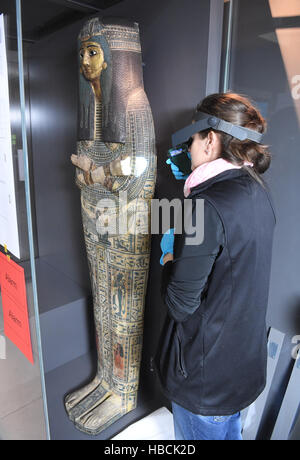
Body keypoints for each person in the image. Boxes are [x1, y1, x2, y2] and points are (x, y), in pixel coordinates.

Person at [155, 92, 277, 440]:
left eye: (192, 139)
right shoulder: (258, 189)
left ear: (210, 140)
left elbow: (180, 305)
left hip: (206, 386)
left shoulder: (204, 208)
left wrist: (168, 255)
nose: (188, 148)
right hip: (242, 371)